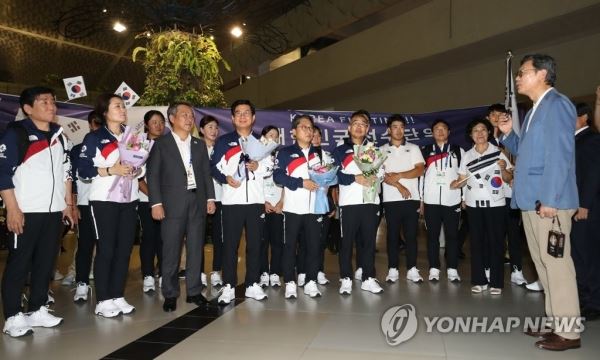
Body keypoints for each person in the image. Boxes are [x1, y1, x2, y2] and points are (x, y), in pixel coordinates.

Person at [498, 54, 581, 350]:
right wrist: (509, 135)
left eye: (523, 72)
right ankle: (556, 322)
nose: (518, 77)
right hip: (532, 201)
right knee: (544, 266)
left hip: (549, 202)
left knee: (558, 266)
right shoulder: (536, 109)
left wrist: (550, 199)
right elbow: (530, 152)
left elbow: (559, 157)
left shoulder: (557, 105)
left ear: (542, 74)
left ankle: (569, 332)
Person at [0, 86, 74, 337]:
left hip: (53, 211)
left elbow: (65, 172)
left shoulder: (59, 135)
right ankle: (12, 316)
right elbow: (2, 174)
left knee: (45, 263)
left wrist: (67, 205)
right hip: (26, 211)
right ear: (27, 108)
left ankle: (37, 308)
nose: (51, 106)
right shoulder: (17, 134)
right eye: (44, 102)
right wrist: (12, 209)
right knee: (19, 264)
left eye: (53, 101)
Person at [146, 102, 215, 312]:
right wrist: (156, 203)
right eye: (184, 115)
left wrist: (210, 199)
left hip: (197, 201)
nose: (189, 119)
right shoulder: (162, 144)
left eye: (191, 115)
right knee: (171, 250)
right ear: (172, 119)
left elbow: (205, 174)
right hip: (171, 204)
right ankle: (170, 293)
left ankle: (194, 291)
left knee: (196, 248)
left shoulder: (198, 144)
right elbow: (153, 175)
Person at [79, 94, 140, 318]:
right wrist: (110, 170)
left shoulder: (132, 136)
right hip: (104, 200)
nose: (122, 109)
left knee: (124, 250)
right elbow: (83, 171)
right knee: (106, 249)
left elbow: (140, 165)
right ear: (105, 112)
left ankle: (117, 295)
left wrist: (136, 170)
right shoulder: (95, 138)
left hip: (129, 199)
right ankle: (103, 299)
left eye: (123, 106)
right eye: (117, 106)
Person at [211, 100, 272, 304]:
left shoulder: (262, 144)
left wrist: (258, 167)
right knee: (230, 245)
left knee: (255, 244)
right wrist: (224, 178)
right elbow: (212, 167)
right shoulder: (224, 142)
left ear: (253, 118)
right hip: (232, 202)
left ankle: (252, 284)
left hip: (255, 202)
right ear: (232, 118)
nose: (243, 116)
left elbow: (269, 169)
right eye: (238, 113)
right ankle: (229, 285)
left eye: (247, 113)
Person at [451, 118, 512, 295]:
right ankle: (479, 280)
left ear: (488, 133)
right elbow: (462, 179)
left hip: (496, 204)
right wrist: (456, 184)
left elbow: (508, 179)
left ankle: (496, 282)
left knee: (496, 243)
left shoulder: (498, 153)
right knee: (476, 243)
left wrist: (503, 169)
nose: (480, 133)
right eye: (476, 131)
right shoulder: (467, 155)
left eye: (483, 130)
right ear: (471, 135)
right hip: (474, 204)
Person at [332, 109, 383, 295]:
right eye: (356, 123)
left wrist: (374, 175)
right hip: (349, 204)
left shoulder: (374, 150)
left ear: (368, 128)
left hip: (370, 202)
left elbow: (381, 174)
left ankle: (368, 278)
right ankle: (345, 278)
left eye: (363, 124)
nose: (359, 127)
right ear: (349, 127)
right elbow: (334, 175)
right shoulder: (339, 150)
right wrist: (356, 178)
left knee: (369, 242)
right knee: (346, 243)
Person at [274, 115, 323, 298]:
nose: (309, 131)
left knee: (313, 246)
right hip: (293, 208)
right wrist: (302, 183)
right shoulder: (285, 153)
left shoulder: (317, 154)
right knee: (290, 246)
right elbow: (278, 177)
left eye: (311, 128)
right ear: (293, 132)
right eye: (304, 127)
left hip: (314, 209)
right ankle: (290, 282)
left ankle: (311, 281)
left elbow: (324, 177)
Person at [380, 114, 425, 283]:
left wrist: (399, 175)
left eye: (401, 127)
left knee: (411, 235)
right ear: (389, 130)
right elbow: (382, 175)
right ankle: (393, 269)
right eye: (395, 127)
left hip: (411, 198)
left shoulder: (413, 148)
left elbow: (420, 169)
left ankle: (412, 268)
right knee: (392, 235)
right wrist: (399, 185)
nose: (398, 130)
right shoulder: (382, 150)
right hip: (391, 199)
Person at [487, 104, 527, 286]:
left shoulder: (512, 138)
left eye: (500, 115)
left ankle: (517, 269)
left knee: (513, 233)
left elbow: (523, 157)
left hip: (510, 192)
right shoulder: (482, 139)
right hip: (490, 195)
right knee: (493, 234)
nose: (496, 117)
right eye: (493, 115)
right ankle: (490, 268)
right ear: (488, 118)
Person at [420, 119, 464, 282]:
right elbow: (421, 178)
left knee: (452, 236)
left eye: (443, 128)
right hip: (431, 201)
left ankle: (452, 269)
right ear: (432, 133)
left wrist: (463, 197)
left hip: (452, 200)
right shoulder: (425, 151)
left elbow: (464, 174)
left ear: (449, 132)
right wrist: (421, 200)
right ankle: (434, 268)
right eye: (437, 129)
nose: (440, 131)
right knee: (432, 237)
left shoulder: (458, 151)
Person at [571, 102, 600, 321]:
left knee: (588, 256)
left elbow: (592, 175)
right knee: (577, 255)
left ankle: (594, 303)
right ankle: (582, 298)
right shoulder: (573, 141)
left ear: (583, 117)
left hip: (586, 209)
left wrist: (584, 204)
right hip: (572, 208)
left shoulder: (591, 139)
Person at [72, 111, 102, 302]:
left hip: (107, 204)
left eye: (102, 123)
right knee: (85, 245)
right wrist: (72, 204)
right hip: (85, 203)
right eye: (96, 123)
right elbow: (71, 179)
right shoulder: (77, 149)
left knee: (105, 247)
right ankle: (81, 283)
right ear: (90, 124)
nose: (98, 127)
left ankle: (104, 286)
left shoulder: (116, 145)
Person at [138, 110, 165, 293]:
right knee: (149, 237)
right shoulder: (138, 144)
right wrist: (154, 197)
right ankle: (148, 274)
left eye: (161, 122)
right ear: (147, 124)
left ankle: (163, 272)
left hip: (167, 200)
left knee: (165, 238)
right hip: (145, 199)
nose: (158, 125)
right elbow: (137, 176)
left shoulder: (168, 144)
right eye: (154, 122)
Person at [198, 115, 224, 287]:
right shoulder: (195, 149)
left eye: (215, 127)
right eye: (209, 127)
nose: (213, 130)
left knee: (218, 237)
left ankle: (216, 271)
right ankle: (199, 272)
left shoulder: (222, 150)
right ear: (201, 130)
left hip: (221, 197)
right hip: (199, 199)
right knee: (197, 237)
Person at [259, 125, 284, 288]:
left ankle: (275, 272)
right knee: (261, 242)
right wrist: (263, 202)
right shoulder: (256, 156)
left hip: (278, 205)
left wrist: (282, 202)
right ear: (263, 137)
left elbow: (286, 183)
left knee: (277, 241)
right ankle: (263, 272)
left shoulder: (282, 156)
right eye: (270, 135)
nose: (273, 138)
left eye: (276, 136)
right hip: (262, 204)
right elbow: (253, 182)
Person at [311, 125, 334, 285]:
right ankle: (305, 271)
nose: (317, 139)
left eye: (319, 136)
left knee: (321, 239)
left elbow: (331, 183)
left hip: (324, 201)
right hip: (308, 202)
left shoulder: (328, 156)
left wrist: (331, 205)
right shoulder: (304, 155)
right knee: (307, 240)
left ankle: (319, 270)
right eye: (313, 136)